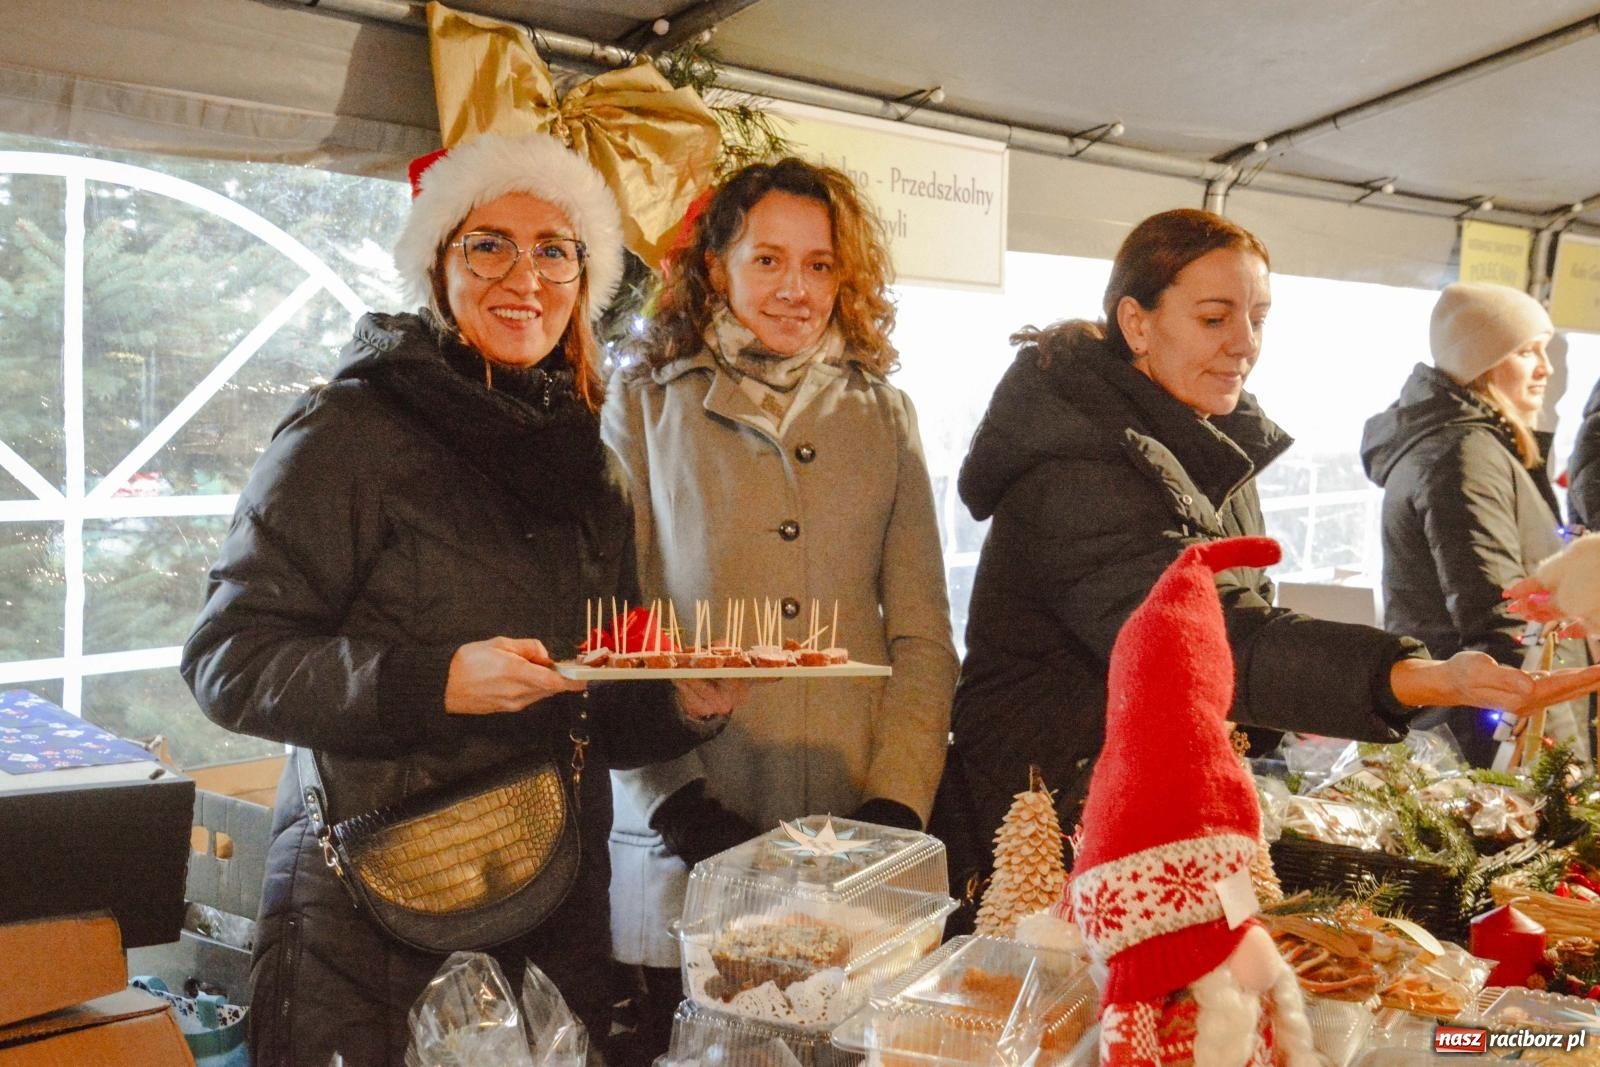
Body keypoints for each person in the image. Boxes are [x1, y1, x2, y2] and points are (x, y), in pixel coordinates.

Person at [181, 133, 752, 1067]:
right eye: (489, 243)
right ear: (440, 264)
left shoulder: (590, 469)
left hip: (550, 904)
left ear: (584, 281)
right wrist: (433, 680)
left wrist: (682, 703)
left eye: (555, 250)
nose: (523, 275)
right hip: (370, 921)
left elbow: (595, 700)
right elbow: (228, 659)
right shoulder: (350, 432)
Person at [932, 209, 1600, 901]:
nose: (1245, 343)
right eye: (1215, 318)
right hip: (1042, 826)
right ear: (1137, 323)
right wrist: (1419, 677)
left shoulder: (1208, 443)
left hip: (1146, 808)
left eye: (1258, 317)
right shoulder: (1076, 467)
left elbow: (1244, 623)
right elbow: (1214, 638)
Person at [602, 157, 958, 1054]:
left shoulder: (886, 416)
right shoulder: (644, 408)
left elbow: (922, 635)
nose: (795, 288)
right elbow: (616, 630)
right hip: (693, 835)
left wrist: (897, 808)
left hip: (855, 848)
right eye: (768, 259)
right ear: (716, 265)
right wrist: (680, 809)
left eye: (819, 264)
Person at [1361, 282, 1589, 766]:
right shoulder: (1465, 455)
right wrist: (1557, 763)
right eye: (1527, 352)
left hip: (1472, 731)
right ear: (1481, 362)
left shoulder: (1470, 447)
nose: (1545, 369)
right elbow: (1501, 619)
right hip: (1484, 744)